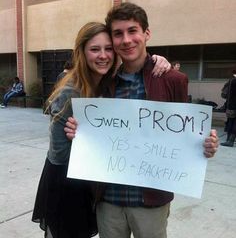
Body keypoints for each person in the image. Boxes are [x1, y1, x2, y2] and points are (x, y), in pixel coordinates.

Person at [65, 2, 219, 238]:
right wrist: (79, 131)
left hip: (151, 200)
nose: (126, 40)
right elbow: (93, 132)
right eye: (118, 33)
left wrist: (205, 145)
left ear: (146, 33)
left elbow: (186, 134)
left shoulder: (172, 79)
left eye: (132, 31)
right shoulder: (103, 82)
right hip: (109, 199)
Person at [31, 21, 170, 238]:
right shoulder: (70, 93)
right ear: (82, 53)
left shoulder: (108, 84)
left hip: (93, 184)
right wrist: (83, 139)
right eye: (95, 49)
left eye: (108, 49)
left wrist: (156, 60)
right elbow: (59, 156)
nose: (103, 55)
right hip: (67, 185)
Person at [220, 68, 236, 147]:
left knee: (231, 122)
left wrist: (227, 106)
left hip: (232, 106)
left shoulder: (232, 81)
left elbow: (225, 94)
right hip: (232, 105)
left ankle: (229, 140)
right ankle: (230, 140)